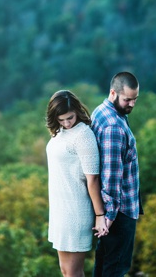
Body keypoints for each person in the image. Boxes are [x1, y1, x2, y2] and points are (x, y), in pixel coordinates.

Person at [45, 90, 109, 277]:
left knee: (73, 273)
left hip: (75, 211)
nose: (66, 123)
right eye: (61, 119)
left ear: (77, 111)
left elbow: (93, 179)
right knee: (66, 272)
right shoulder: (61, 131)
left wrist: (99, 214)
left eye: (70, 118)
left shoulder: (83, 135)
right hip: (59, 211)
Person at [90, 72, 142, 277]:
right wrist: (108, 217)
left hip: (111, 209)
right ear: (113, 93)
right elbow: (111, 175)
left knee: (103, 267)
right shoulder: (114, 127)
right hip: (119, 212)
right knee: (116, 269)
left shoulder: (103, 110)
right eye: (127, 99)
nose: (132, 104)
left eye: (135, 99)